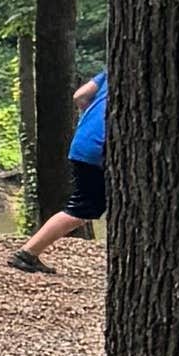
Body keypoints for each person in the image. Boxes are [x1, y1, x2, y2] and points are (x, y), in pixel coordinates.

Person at [10, 69, 108, 272]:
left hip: (83, 141)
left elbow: (80, 96)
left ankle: (28, 253)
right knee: (81, 209)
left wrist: (93, 118)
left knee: (84, 207)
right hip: (98, 150)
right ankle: (27, 254)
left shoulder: (111, 72)